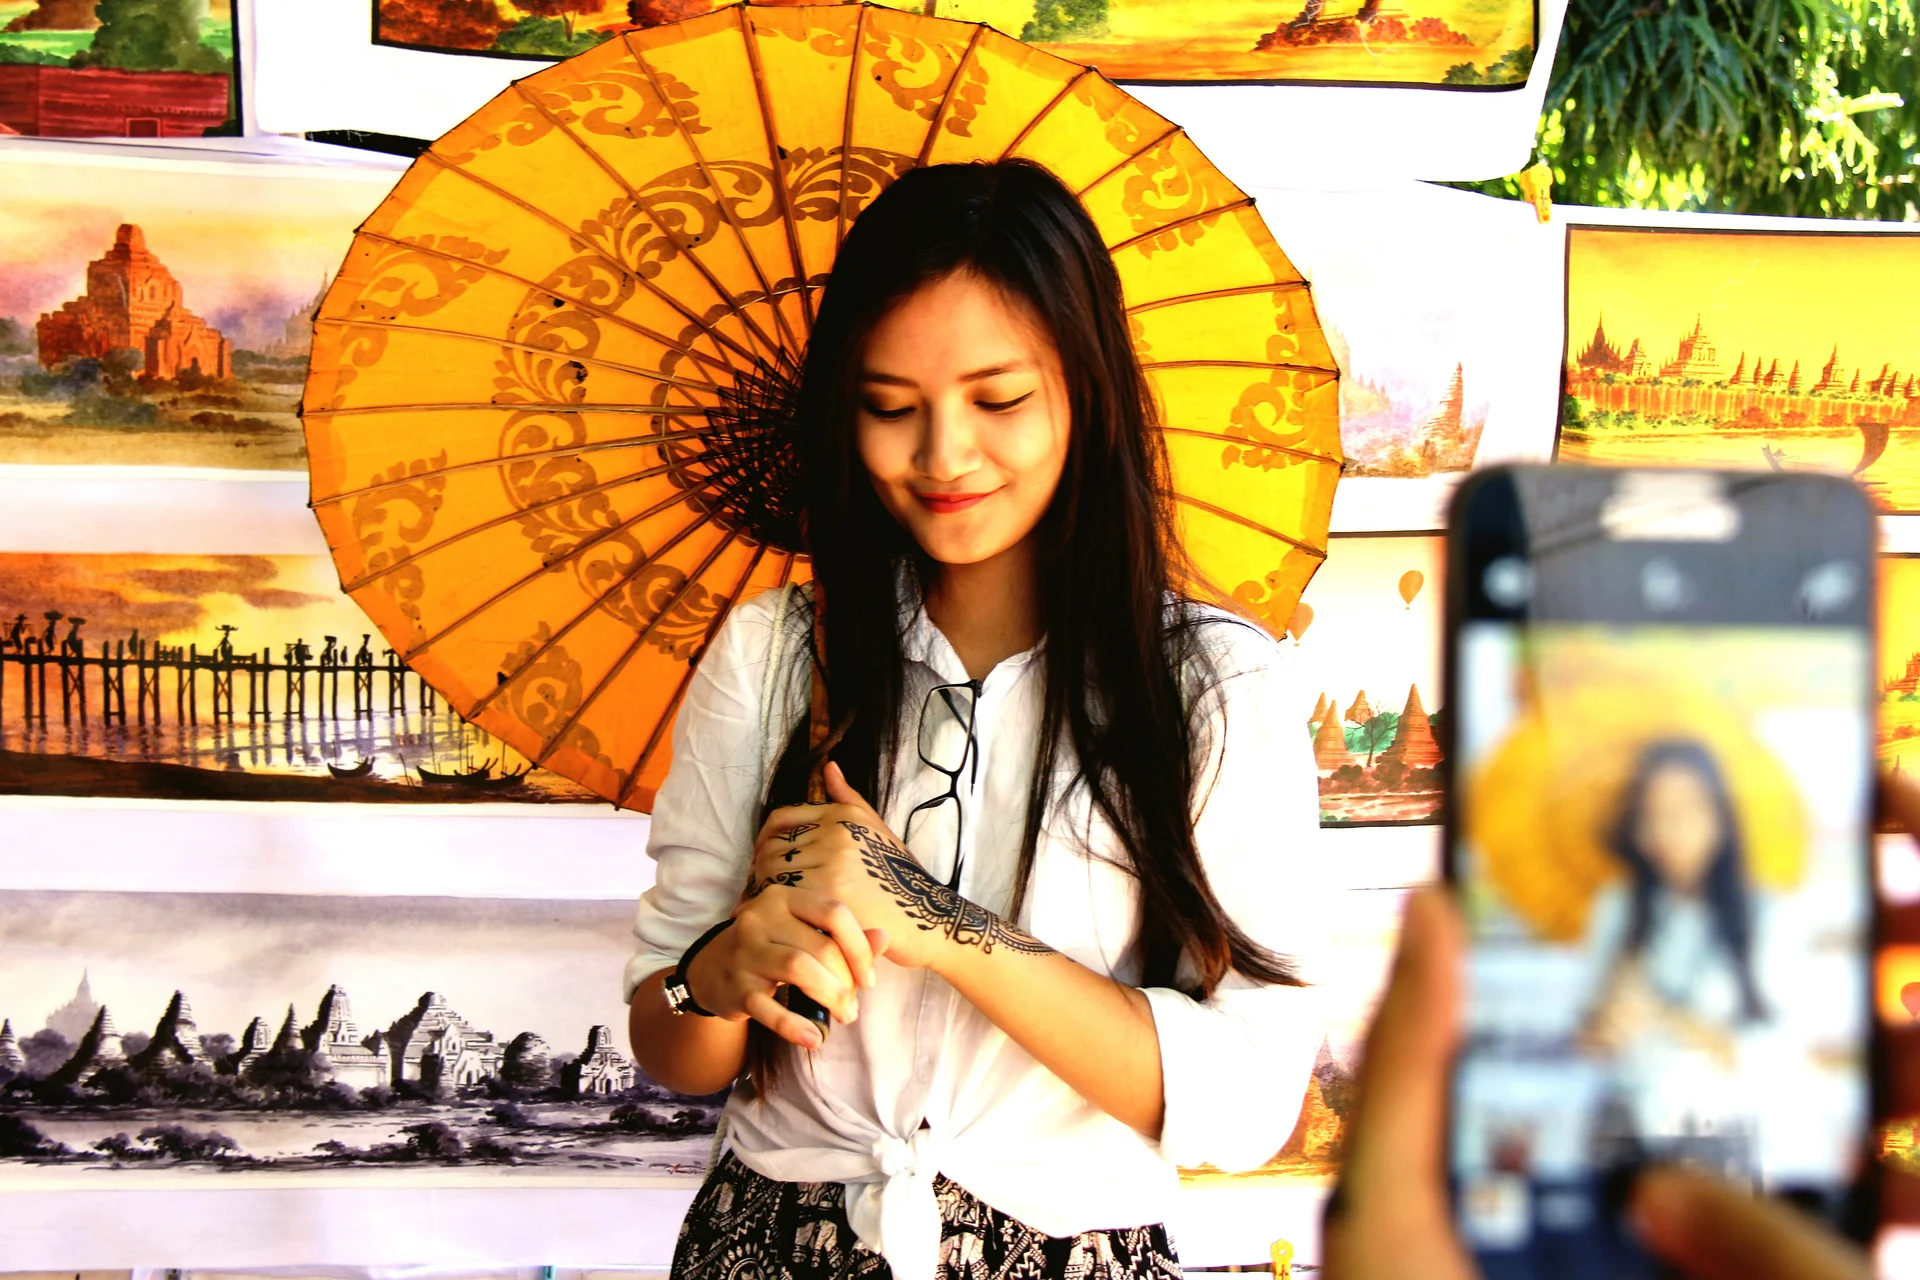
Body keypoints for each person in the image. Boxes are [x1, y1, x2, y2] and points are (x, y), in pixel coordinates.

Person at [621, 159, 1327, 1280]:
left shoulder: (1208, 687)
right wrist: (717, 974)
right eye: (891, 407)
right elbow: (671, 1042)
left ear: (1085, 391)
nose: (944, 454)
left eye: (999, 400)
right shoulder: (775, 653)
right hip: (769, 1243)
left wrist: (935, 919)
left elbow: (1248, 1102)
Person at [1318, 773, 1920, 1280]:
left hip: (1740, 1152)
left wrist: (1669, 1018)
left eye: (1685, 811)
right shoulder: (1617, 911)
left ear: (1721, 816)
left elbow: (1775, 1058)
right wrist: (1604, 1028)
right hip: (1621, 1148)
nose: (1668, 833)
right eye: (1653, 816)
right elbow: (1590, 1047)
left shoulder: (1767, 915)